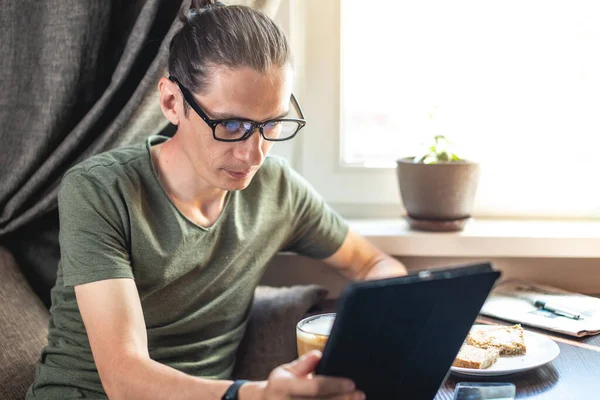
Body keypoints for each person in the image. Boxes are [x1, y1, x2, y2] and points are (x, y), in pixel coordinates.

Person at [26, 1, 407, 399]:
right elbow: (124, 377)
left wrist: (366, 333)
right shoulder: (99, 189)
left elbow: (374, 263)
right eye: (231, 124)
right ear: (172, 102)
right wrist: (255, 395)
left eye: (271, 124)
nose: (253, 154)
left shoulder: (278, 192)